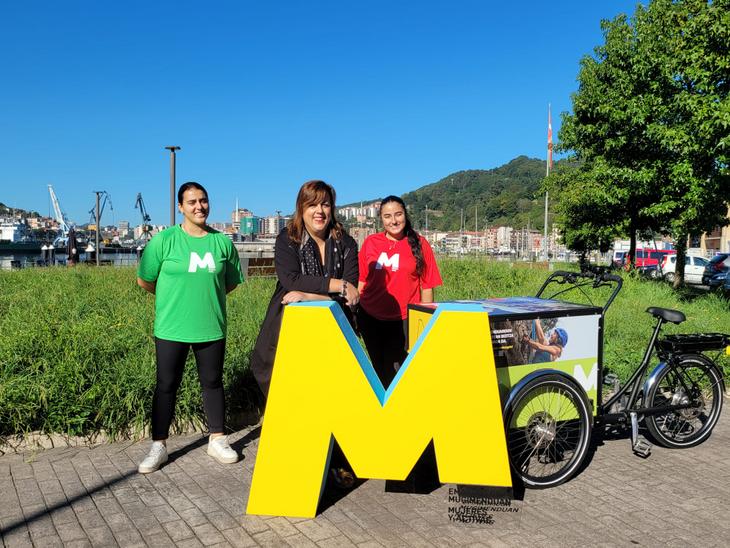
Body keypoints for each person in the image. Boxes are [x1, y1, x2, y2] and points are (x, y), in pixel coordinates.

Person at [136, 182, 243, 474]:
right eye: (192, 202)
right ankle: (159, 445)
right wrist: (174, 299)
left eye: (203, 200)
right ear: (180, 207)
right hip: (171, 327)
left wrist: (204, 299)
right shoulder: (164, 241)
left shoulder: (222, 243)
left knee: (213, 383)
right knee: (166, 386)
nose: (199, 206)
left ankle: (217, 439)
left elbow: (230, 283)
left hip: (211, 326)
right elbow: (145, 280)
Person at [251, 180, 359, 399]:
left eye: (325, 204)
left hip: (336, 323)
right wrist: (337, 285)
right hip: (292, 321)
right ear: (301, 207)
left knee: (332, 386)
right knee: (279, 375)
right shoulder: (288, 239)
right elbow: (292, 279)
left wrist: (308, 295)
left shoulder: (346, 242)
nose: (319, 211)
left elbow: (351, 294)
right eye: (312, 205)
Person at [357, 195, 443, 388]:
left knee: (399, 373)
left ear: (405, 214)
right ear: (381, 219)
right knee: (378, 370)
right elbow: (362, 281)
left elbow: (427, 286)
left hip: (403, 320)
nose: (393, 221)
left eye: (398, 214)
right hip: (370, 317)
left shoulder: (420, 244)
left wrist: (425, 322)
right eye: (387, 216)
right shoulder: (371, 242)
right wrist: (355, 312)